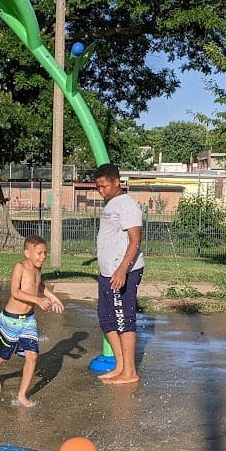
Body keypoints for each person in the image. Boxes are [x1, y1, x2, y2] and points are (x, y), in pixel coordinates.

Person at [0, 235, 64, 407]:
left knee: (32, 355)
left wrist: (53, 298)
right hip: (11, 320)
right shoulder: (20, 267)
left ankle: (22, 395)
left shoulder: (38, 269)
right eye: (39, 253)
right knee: (4, 355)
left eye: (45, 253)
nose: (43, 256)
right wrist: (38, 301)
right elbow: (15, 292)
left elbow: (40, 286)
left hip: (28, 320)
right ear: (27, 252)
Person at [94, 163, 144, 385]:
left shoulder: (127, 205)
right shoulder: (111, 205)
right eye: (98, 187)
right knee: (106, 319)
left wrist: (123, 269)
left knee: (124, 321)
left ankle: (130, 372)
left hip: (124, 273)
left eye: (104, 186)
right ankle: (121, 366)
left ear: (117, 182)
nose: (101, 191)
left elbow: (135, 240)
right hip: (107, 273)